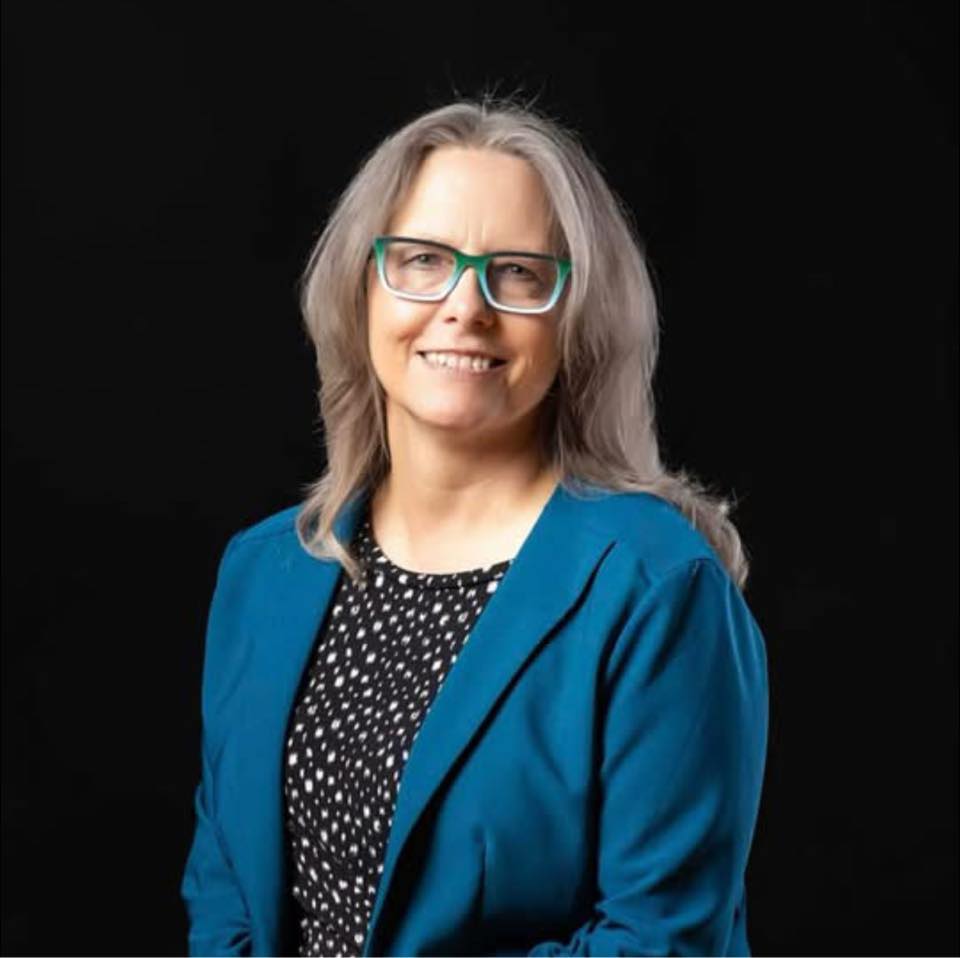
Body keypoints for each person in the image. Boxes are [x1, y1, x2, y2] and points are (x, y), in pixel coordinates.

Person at [180, 94, 769, 958]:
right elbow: (223, 891)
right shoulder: (265, 570)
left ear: (577, 318)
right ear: (362, 287)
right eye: (421, 260)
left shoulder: (658, 589)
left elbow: (658, 941)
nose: (465, 306)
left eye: (519, 272)